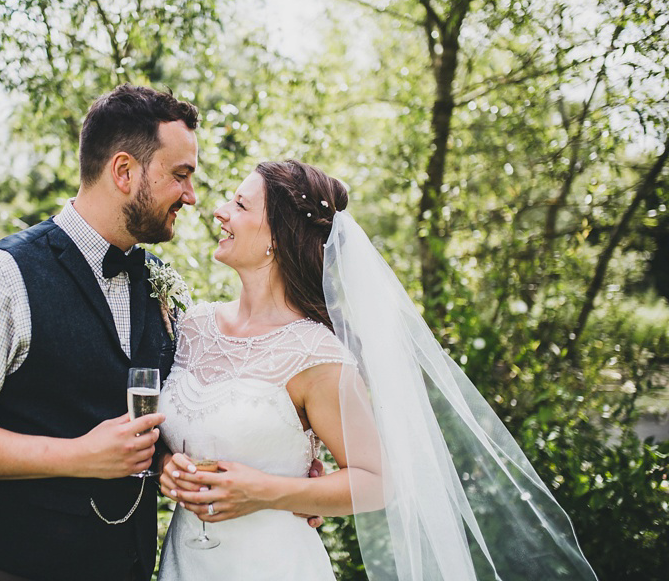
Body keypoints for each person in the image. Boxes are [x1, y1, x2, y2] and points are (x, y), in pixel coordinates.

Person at [157, 160, 598, 580]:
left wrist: (267, 491)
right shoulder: (193, 325)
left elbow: (377, 481)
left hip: (270, 565)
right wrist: (165, 467)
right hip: (185, 561)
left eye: (239, 204)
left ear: (278, 235)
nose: (218, 211)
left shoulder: (314, 354)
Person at [0, 84, 199, 581]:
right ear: (124, 171)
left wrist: (283, 478)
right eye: (180, 175)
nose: (190, 196)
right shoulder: (1, 275)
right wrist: (78, 456)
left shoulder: (161, 283)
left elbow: (190, 401)